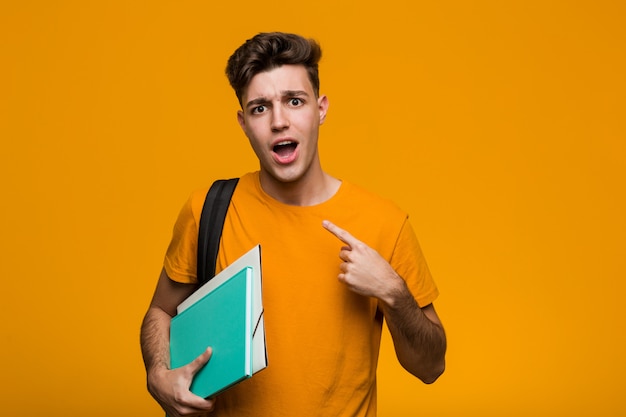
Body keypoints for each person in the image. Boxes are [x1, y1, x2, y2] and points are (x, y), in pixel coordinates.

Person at [140, 32, 446, 417]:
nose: (279, 121)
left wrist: (394, 293)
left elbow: (431, 367)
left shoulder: (384, 222)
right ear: (243, 123)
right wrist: (157, 374)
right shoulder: (208, 210)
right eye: (260, 108)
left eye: (294, 101)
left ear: (320, 109)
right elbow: (161, 313)